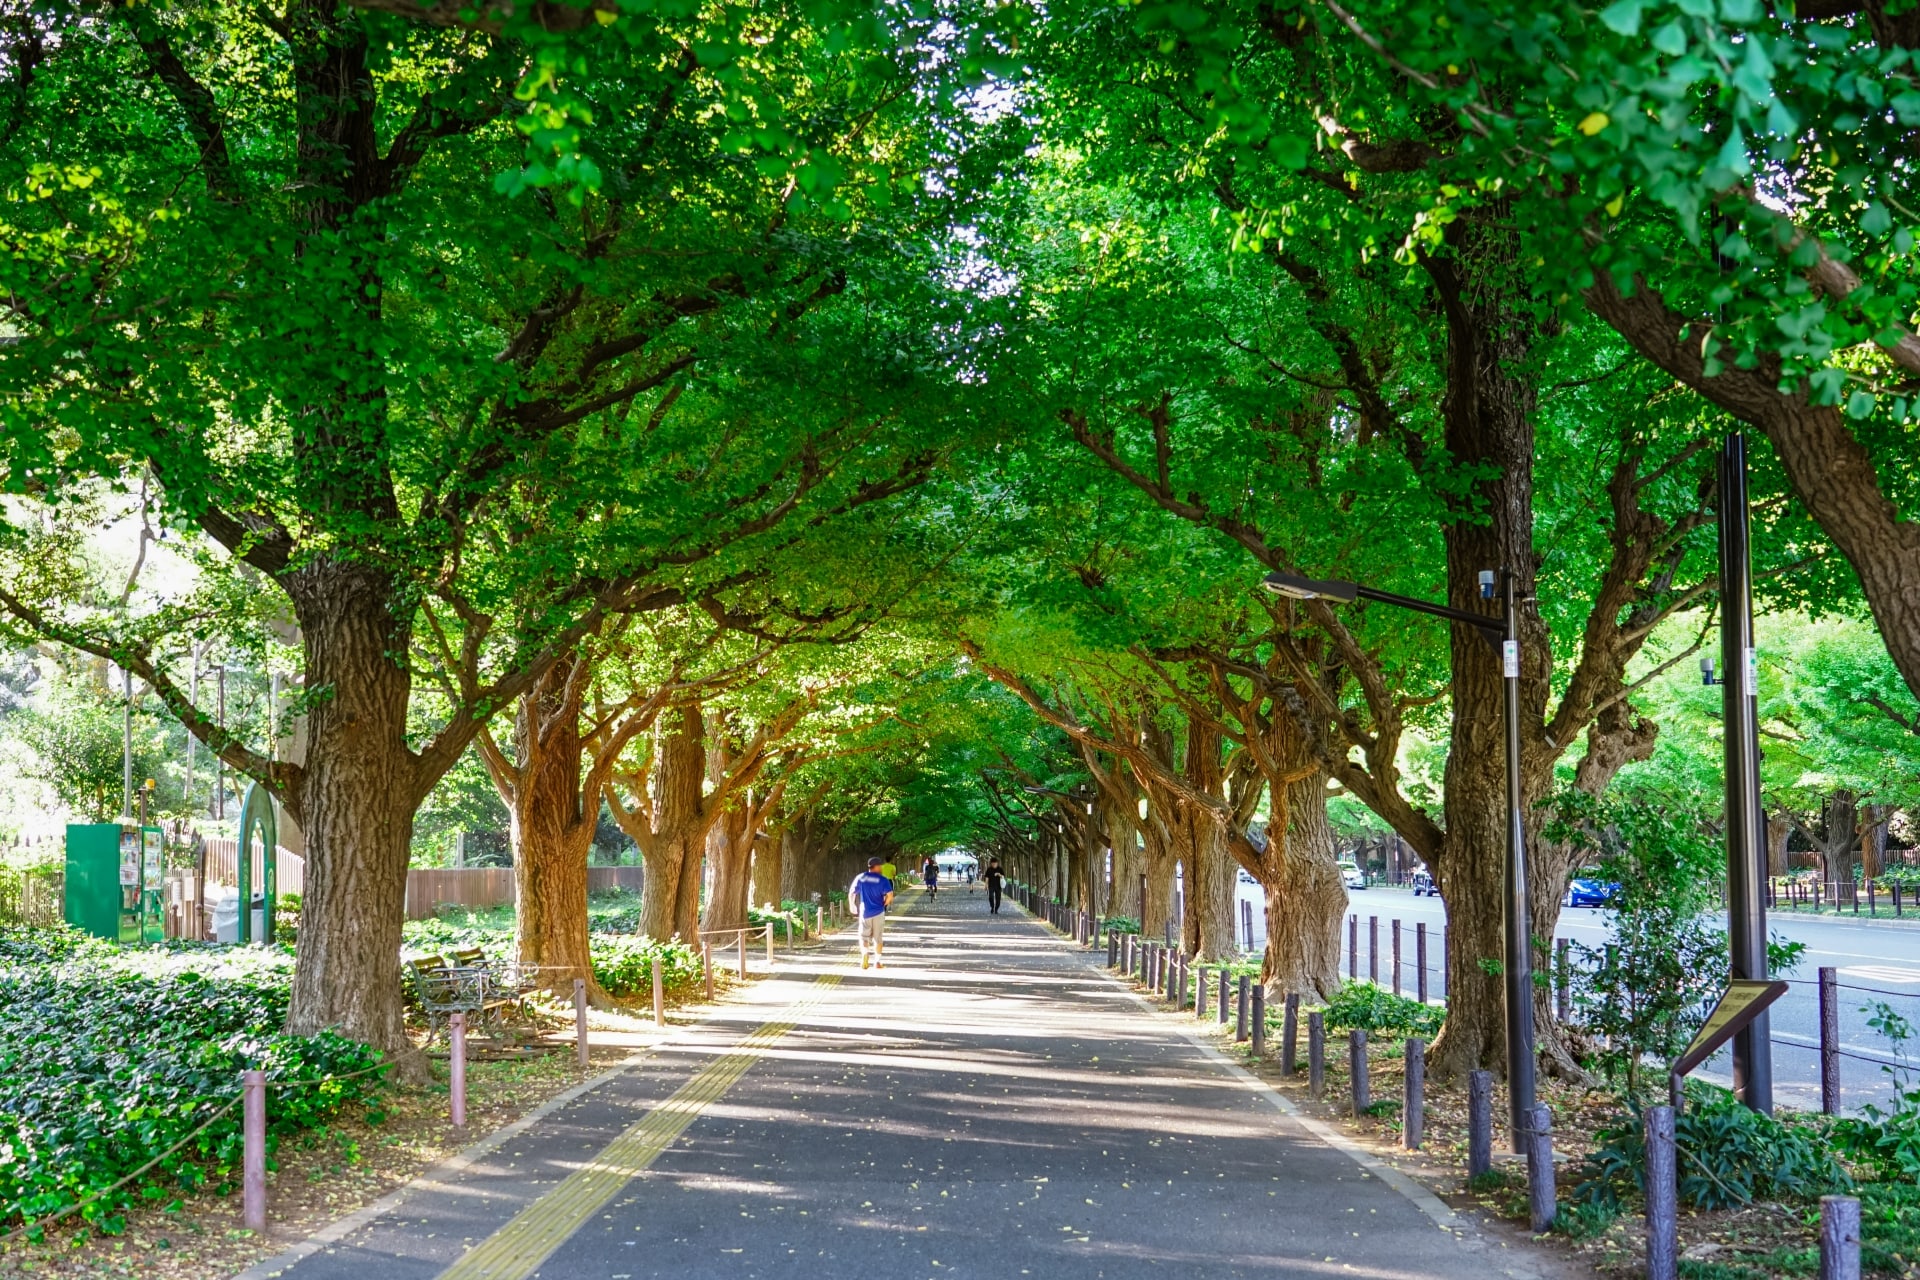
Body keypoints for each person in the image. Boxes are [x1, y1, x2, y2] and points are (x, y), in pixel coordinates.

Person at [850, 856, 895, 969]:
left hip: (865, 912)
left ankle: (865, 954)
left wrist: (852, 905)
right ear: (877, 866)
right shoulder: (883, 879)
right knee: (878, 938)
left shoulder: (861, 877)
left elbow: (852, 892)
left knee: (864, 936)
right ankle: (877, 962)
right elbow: (890, 896)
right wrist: (885, 903)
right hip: (878, 912)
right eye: (880, 866)